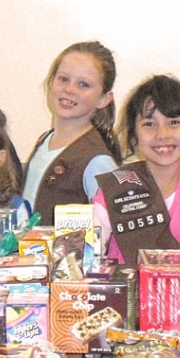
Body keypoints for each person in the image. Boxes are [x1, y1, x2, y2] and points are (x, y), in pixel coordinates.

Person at [93, 75, 180, 266]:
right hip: (125, 292)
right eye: (149, 124)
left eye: (173, 123)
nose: (162, 135)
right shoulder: (118, 183)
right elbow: (90, 251)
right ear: (134, 135)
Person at [23, 41, 121, 226]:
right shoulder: (45, 140)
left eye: (84, 84)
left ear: (103, 99)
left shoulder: (97, 161)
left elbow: (111, 229)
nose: (69, 89)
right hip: (30, 252)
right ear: (51, 81)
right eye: (64, 79)